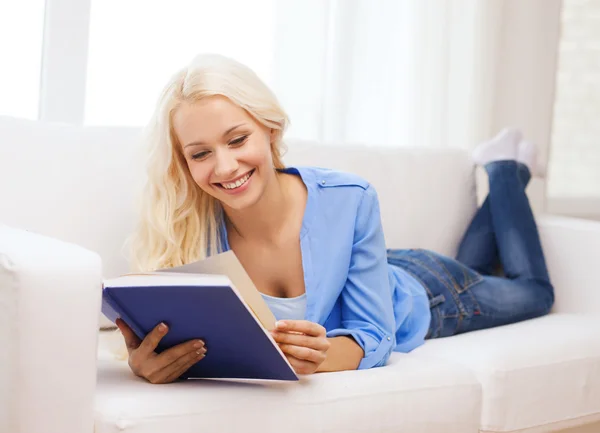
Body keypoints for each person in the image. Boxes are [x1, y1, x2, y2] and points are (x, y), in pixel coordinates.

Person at [115, 54, 554, 384]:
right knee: (477, 266)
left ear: (269, 130)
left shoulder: (350, 197)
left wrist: (318, 358)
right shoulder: (188, 230)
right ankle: (502, 174)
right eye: (201, 153)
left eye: (237, 139)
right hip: (376, 268)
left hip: (427, 291)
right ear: (185, 163)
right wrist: (144, 362)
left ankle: (503, 170)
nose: (226, 166)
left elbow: (376, 336)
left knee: (534, 293)